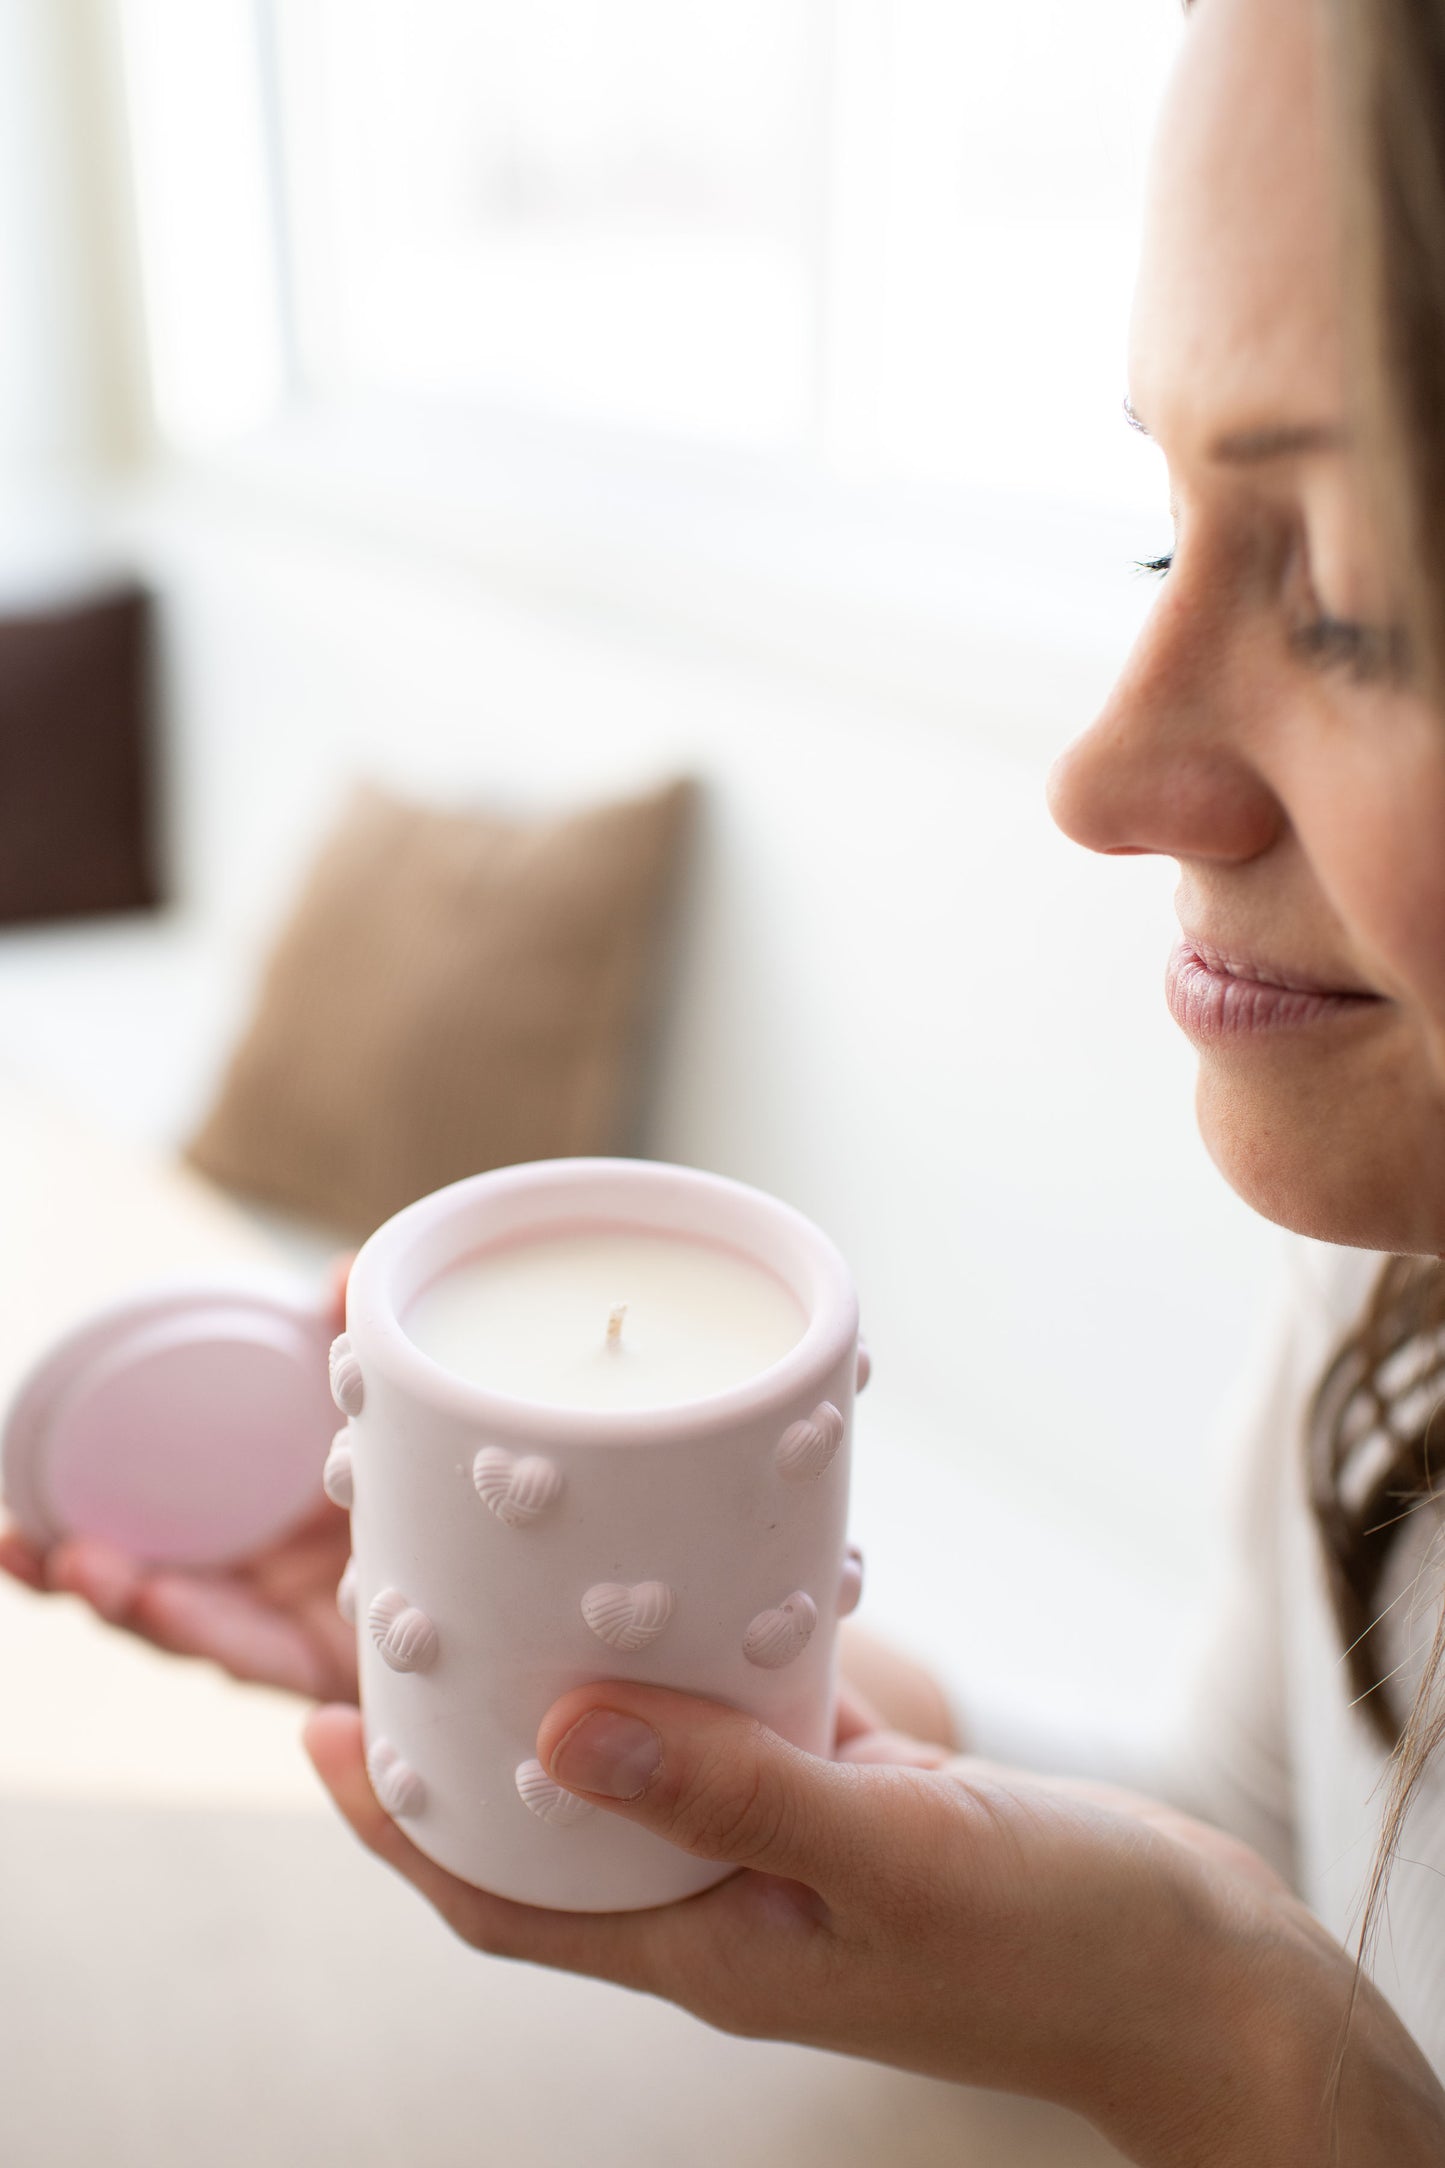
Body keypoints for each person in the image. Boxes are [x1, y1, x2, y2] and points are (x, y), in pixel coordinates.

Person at [7, 0, 1445, 2154]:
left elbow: (1282, 1988)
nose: (1102, 777)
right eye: (1166, 531)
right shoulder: (1396, 1277)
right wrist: (732, 1711)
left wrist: (1225, 2046)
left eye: (1341, 591)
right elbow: (1269, 1843)